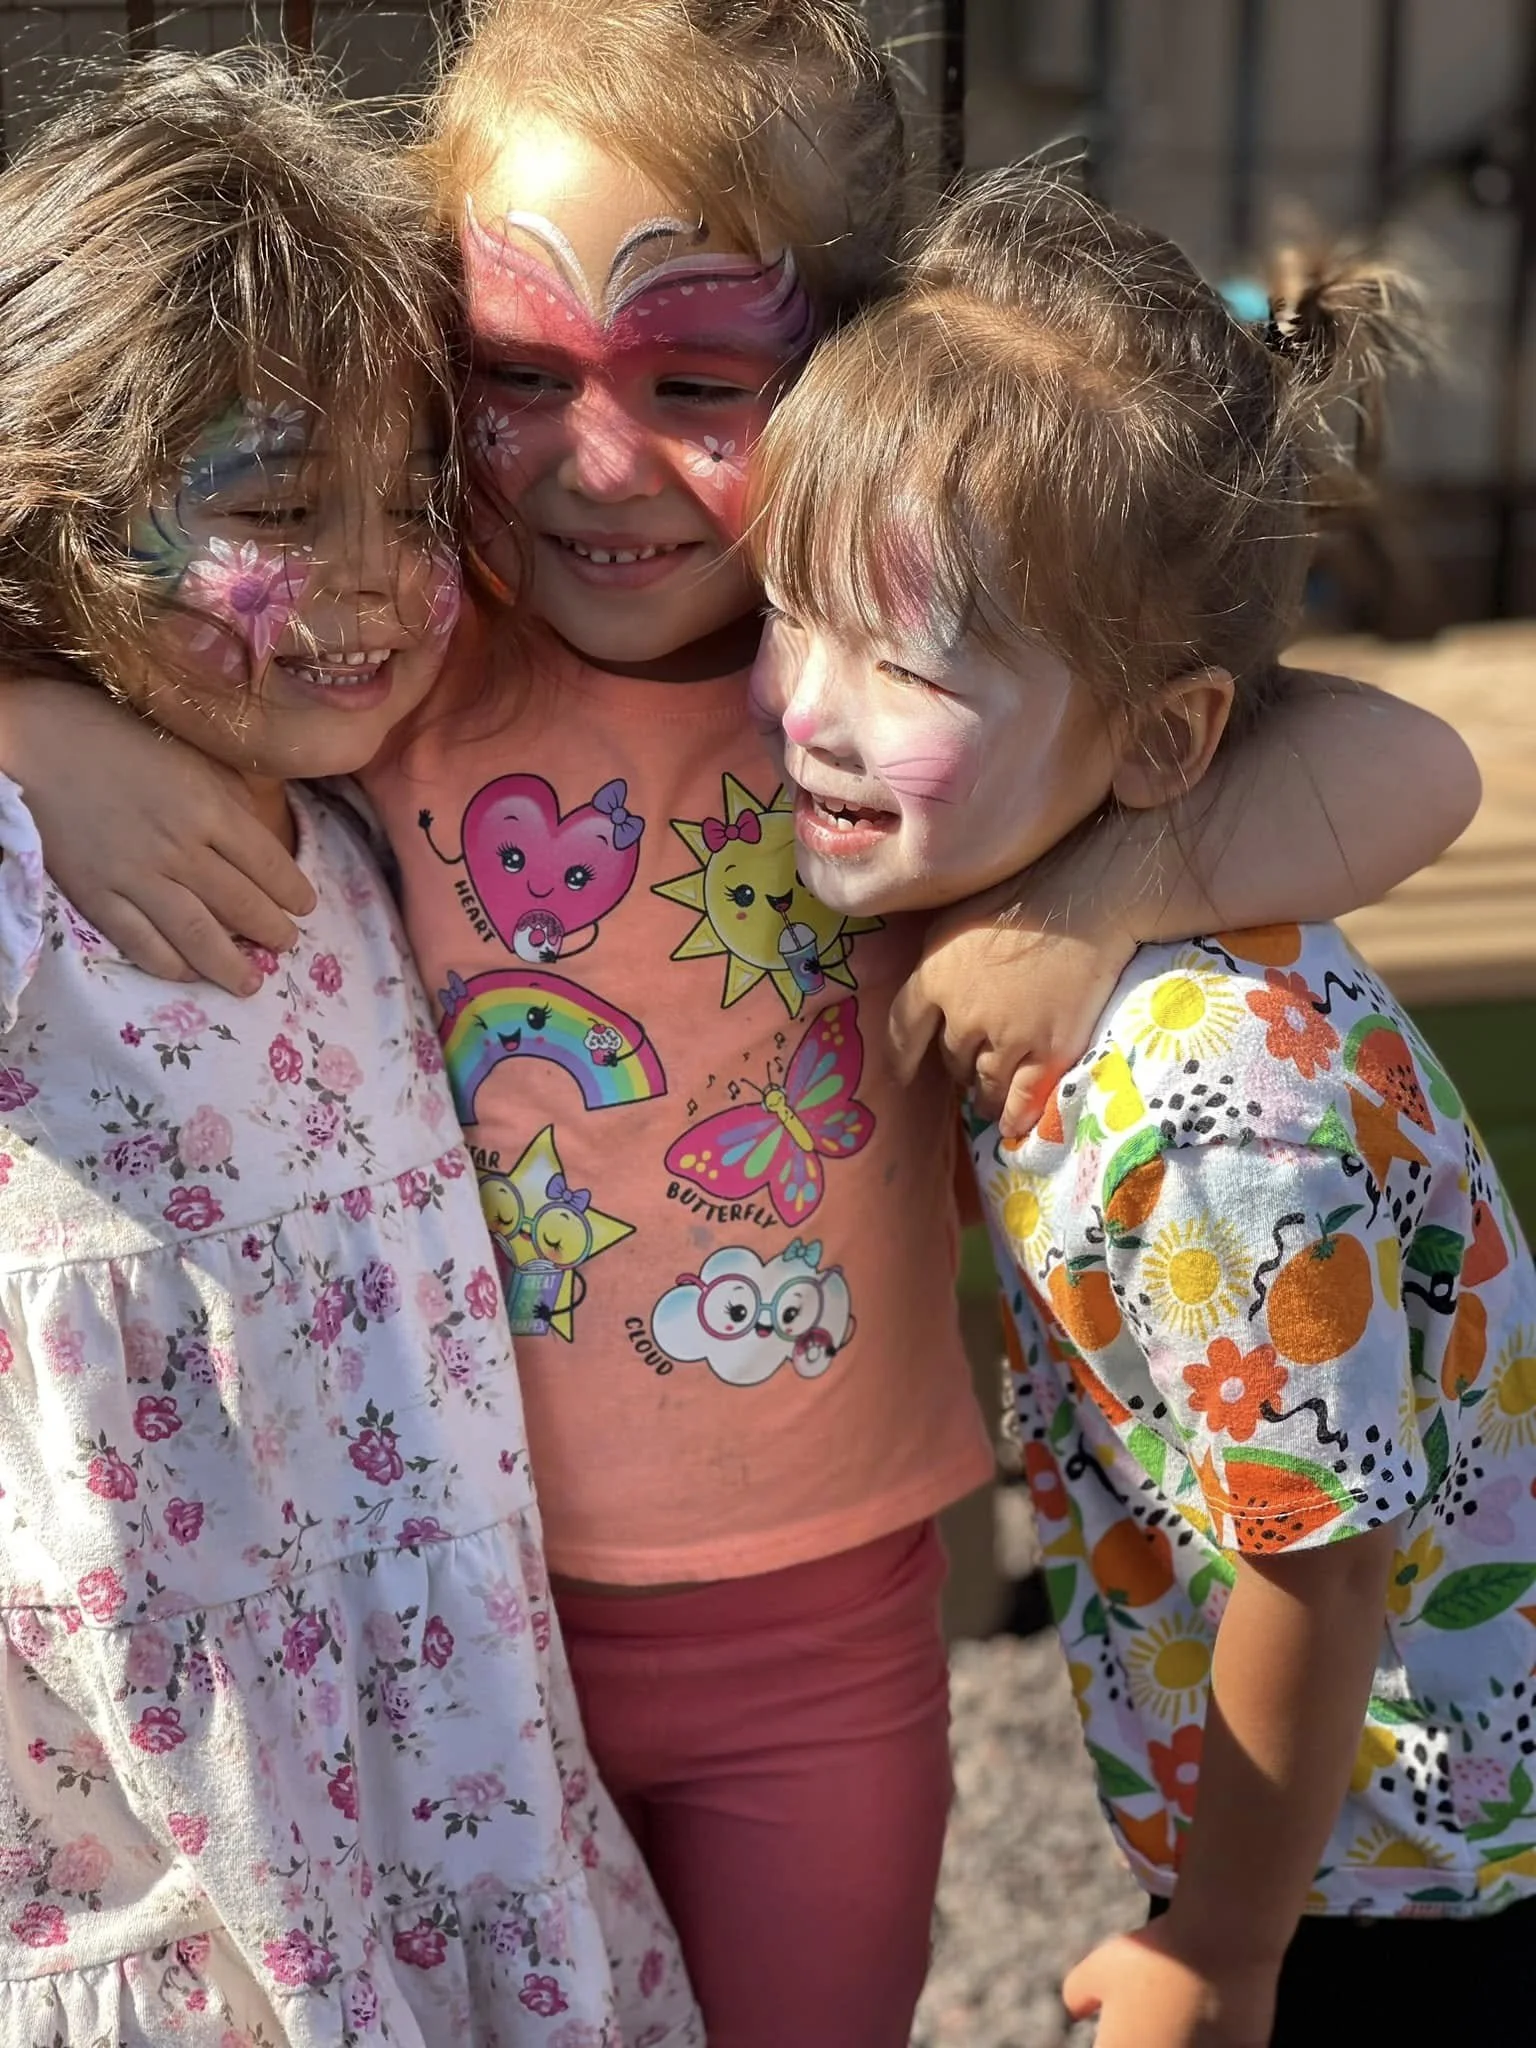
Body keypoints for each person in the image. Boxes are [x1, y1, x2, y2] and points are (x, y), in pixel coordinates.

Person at [0, 8, 1482, 2042]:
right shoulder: (407, 651)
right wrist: (31, 723)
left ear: (844, 360)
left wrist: (1104, 889)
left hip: (834, 1640)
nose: (602, 462)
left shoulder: (914, 694)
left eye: (701, 380)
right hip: (456, 1632)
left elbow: (1412, 767)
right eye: (517, 377)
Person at [746, 164, 1534, 2048]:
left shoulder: (1204, 1111)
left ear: (1168, 735)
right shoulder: (1124, 923)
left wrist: (1223, 1950)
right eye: (793, 613)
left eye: (912, 659)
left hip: (1411, 1865)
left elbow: (1318, 1563)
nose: (811, 711)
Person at [0, 51, 700, 2047]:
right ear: (49, 509)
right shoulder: (34, 861)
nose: (385, 574)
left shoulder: (373, 825)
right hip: (184, 1893)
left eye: (411, 497)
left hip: (452, 1805)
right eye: (279, 503)